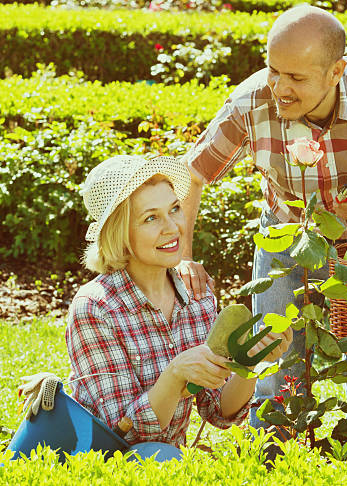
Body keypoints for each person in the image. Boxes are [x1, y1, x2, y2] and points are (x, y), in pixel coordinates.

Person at [178, 5, 347, 445]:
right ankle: (271, 452)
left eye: (296, 78)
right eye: (273, 70)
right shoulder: (250, 101)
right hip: (285, 238)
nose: (280, 87)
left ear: (336, 71)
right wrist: (183, 258)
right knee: (276, 358)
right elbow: (192, 174)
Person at [64, 155, 292, 454]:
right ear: (121, 234)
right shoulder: (95, 308)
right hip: (99, 459)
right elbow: (120, 436)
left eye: (174, 209)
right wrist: (175, 375)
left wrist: (249, 363)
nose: (172, 227)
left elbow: (219, 410)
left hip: (167, 460)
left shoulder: (196, 296)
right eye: (151, 217)